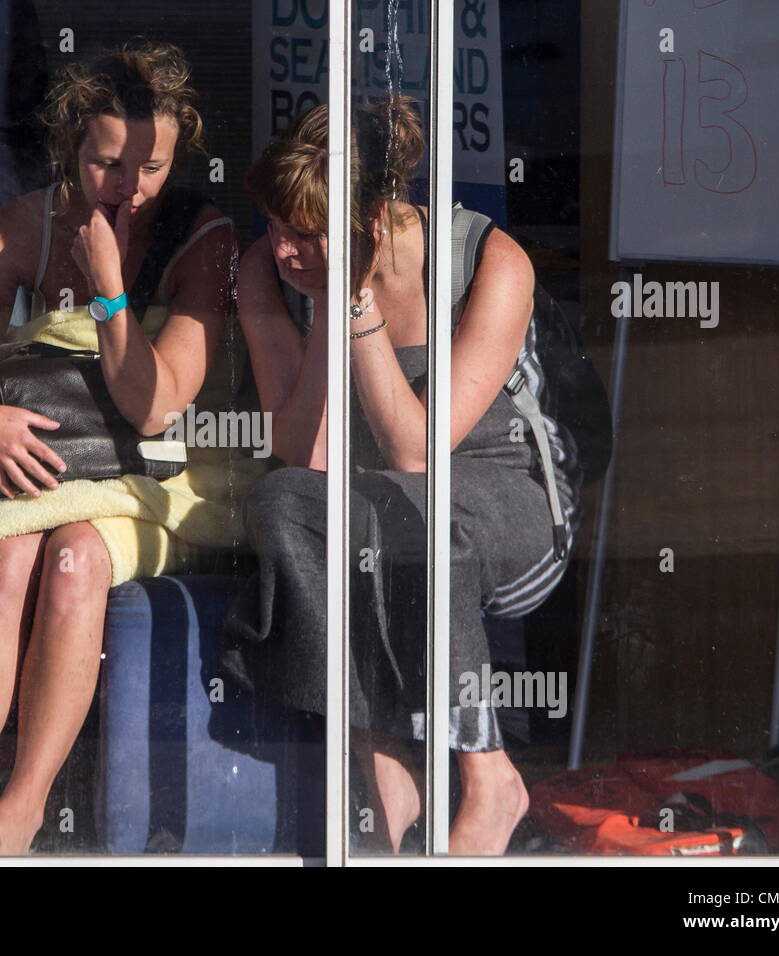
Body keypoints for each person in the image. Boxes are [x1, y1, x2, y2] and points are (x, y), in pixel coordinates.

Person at [0, 41, 242, 855]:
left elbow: (156, 405)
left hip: (153, 482)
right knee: (5, 561)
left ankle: (23, 808)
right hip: (39, 464)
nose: (130, 187)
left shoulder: (202, 238)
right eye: (107, 164)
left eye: (151, 166)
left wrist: (111, 292)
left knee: (73, 559)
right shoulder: (17, 227)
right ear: (69, 148)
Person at [220, 98, 581, 855]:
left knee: (413, 510)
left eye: (305, 233)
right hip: (376, 512)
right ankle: (382, 757)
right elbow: (303, 453)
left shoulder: (487, 259)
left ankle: (489, 777)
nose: (284, 250)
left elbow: (417, 452)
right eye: (275, 226)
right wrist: (324, 305)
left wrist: (355, 304)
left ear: (372, 221)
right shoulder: (265, 274)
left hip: (503, 508)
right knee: (282, 501)